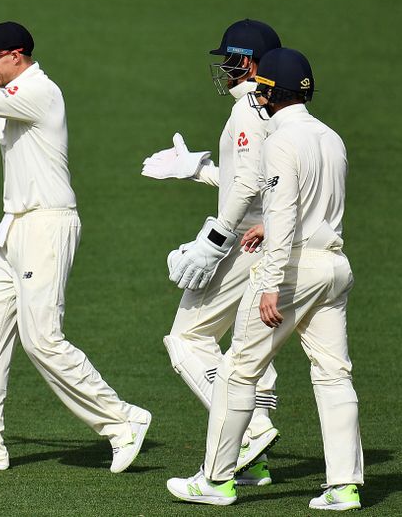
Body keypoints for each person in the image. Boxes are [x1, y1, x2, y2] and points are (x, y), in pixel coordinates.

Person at [0, 20, 151, 472]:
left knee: (42, 340)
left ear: (17, 55)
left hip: (47, 226)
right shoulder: (11, 97)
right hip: (14, 229)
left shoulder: (40, 92)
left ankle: (122, 420)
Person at [166, 48, 364, 511]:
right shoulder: (331, 137)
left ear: (273, 92)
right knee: (334, 375)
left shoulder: (279, 142)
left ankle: (216, 480)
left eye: (262, 90)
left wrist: (271, 281)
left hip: (293, 270)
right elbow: (318, 207)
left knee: (238, 371)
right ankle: (343, 486)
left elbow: (281, 209)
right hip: (335, 266)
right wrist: (268, 227)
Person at [140, 19, 283, 485]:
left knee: (188, 338)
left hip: (245, 241)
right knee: (249, 348)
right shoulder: (273, 108)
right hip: (272, 233)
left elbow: (246, 184)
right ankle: (254, 462)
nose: (225, 69)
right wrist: (197, 168)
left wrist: (215, 239)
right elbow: (259, 179)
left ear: (252, 63)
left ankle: (252, 431)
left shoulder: (246, 111)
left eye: (232, 60)